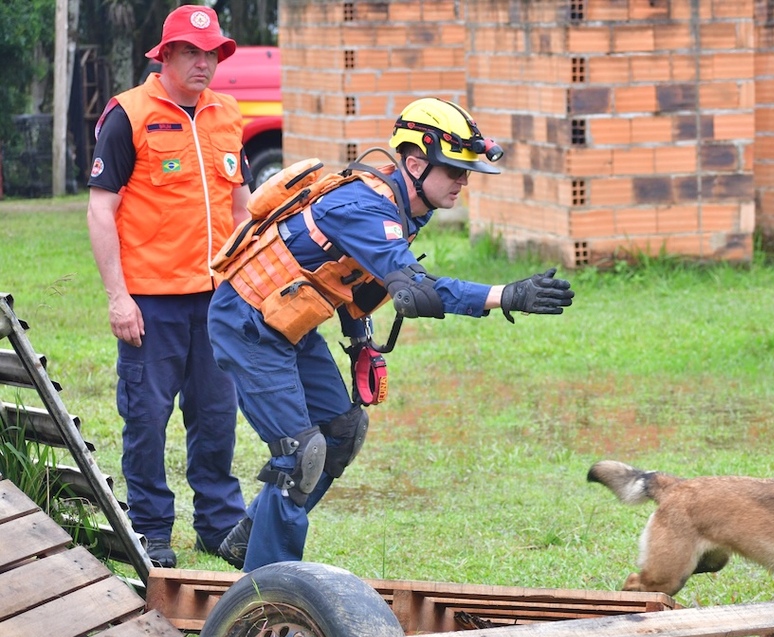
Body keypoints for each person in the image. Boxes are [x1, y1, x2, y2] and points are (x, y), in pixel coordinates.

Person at [208, 97, 575, 571]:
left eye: (466, 173)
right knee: (300, 456)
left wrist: (360, 339)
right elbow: (415, 293)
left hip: (285, 322)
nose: (463, 183)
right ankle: (267, 590)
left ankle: (249, 537)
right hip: (247, 323)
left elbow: (346, 277)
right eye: (455, 172)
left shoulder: (402, 206)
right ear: (417, 163)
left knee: (342, 431)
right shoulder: (364, 206)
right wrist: (505, 294)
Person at [86, 5, 251, 568]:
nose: (203, 64)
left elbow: (240, 205)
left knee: (215, 416)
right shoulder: (127, 115)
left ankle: (219, 524)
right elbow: (101, 209)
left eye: (211, 54)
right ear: (166, 55)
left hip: (217, 299)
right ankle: (151, 528)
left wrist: (247, 282)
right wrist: (118, 298)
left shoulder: (227, 114)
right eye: (191, 52)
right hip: (150, 302)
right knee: (147, 417)